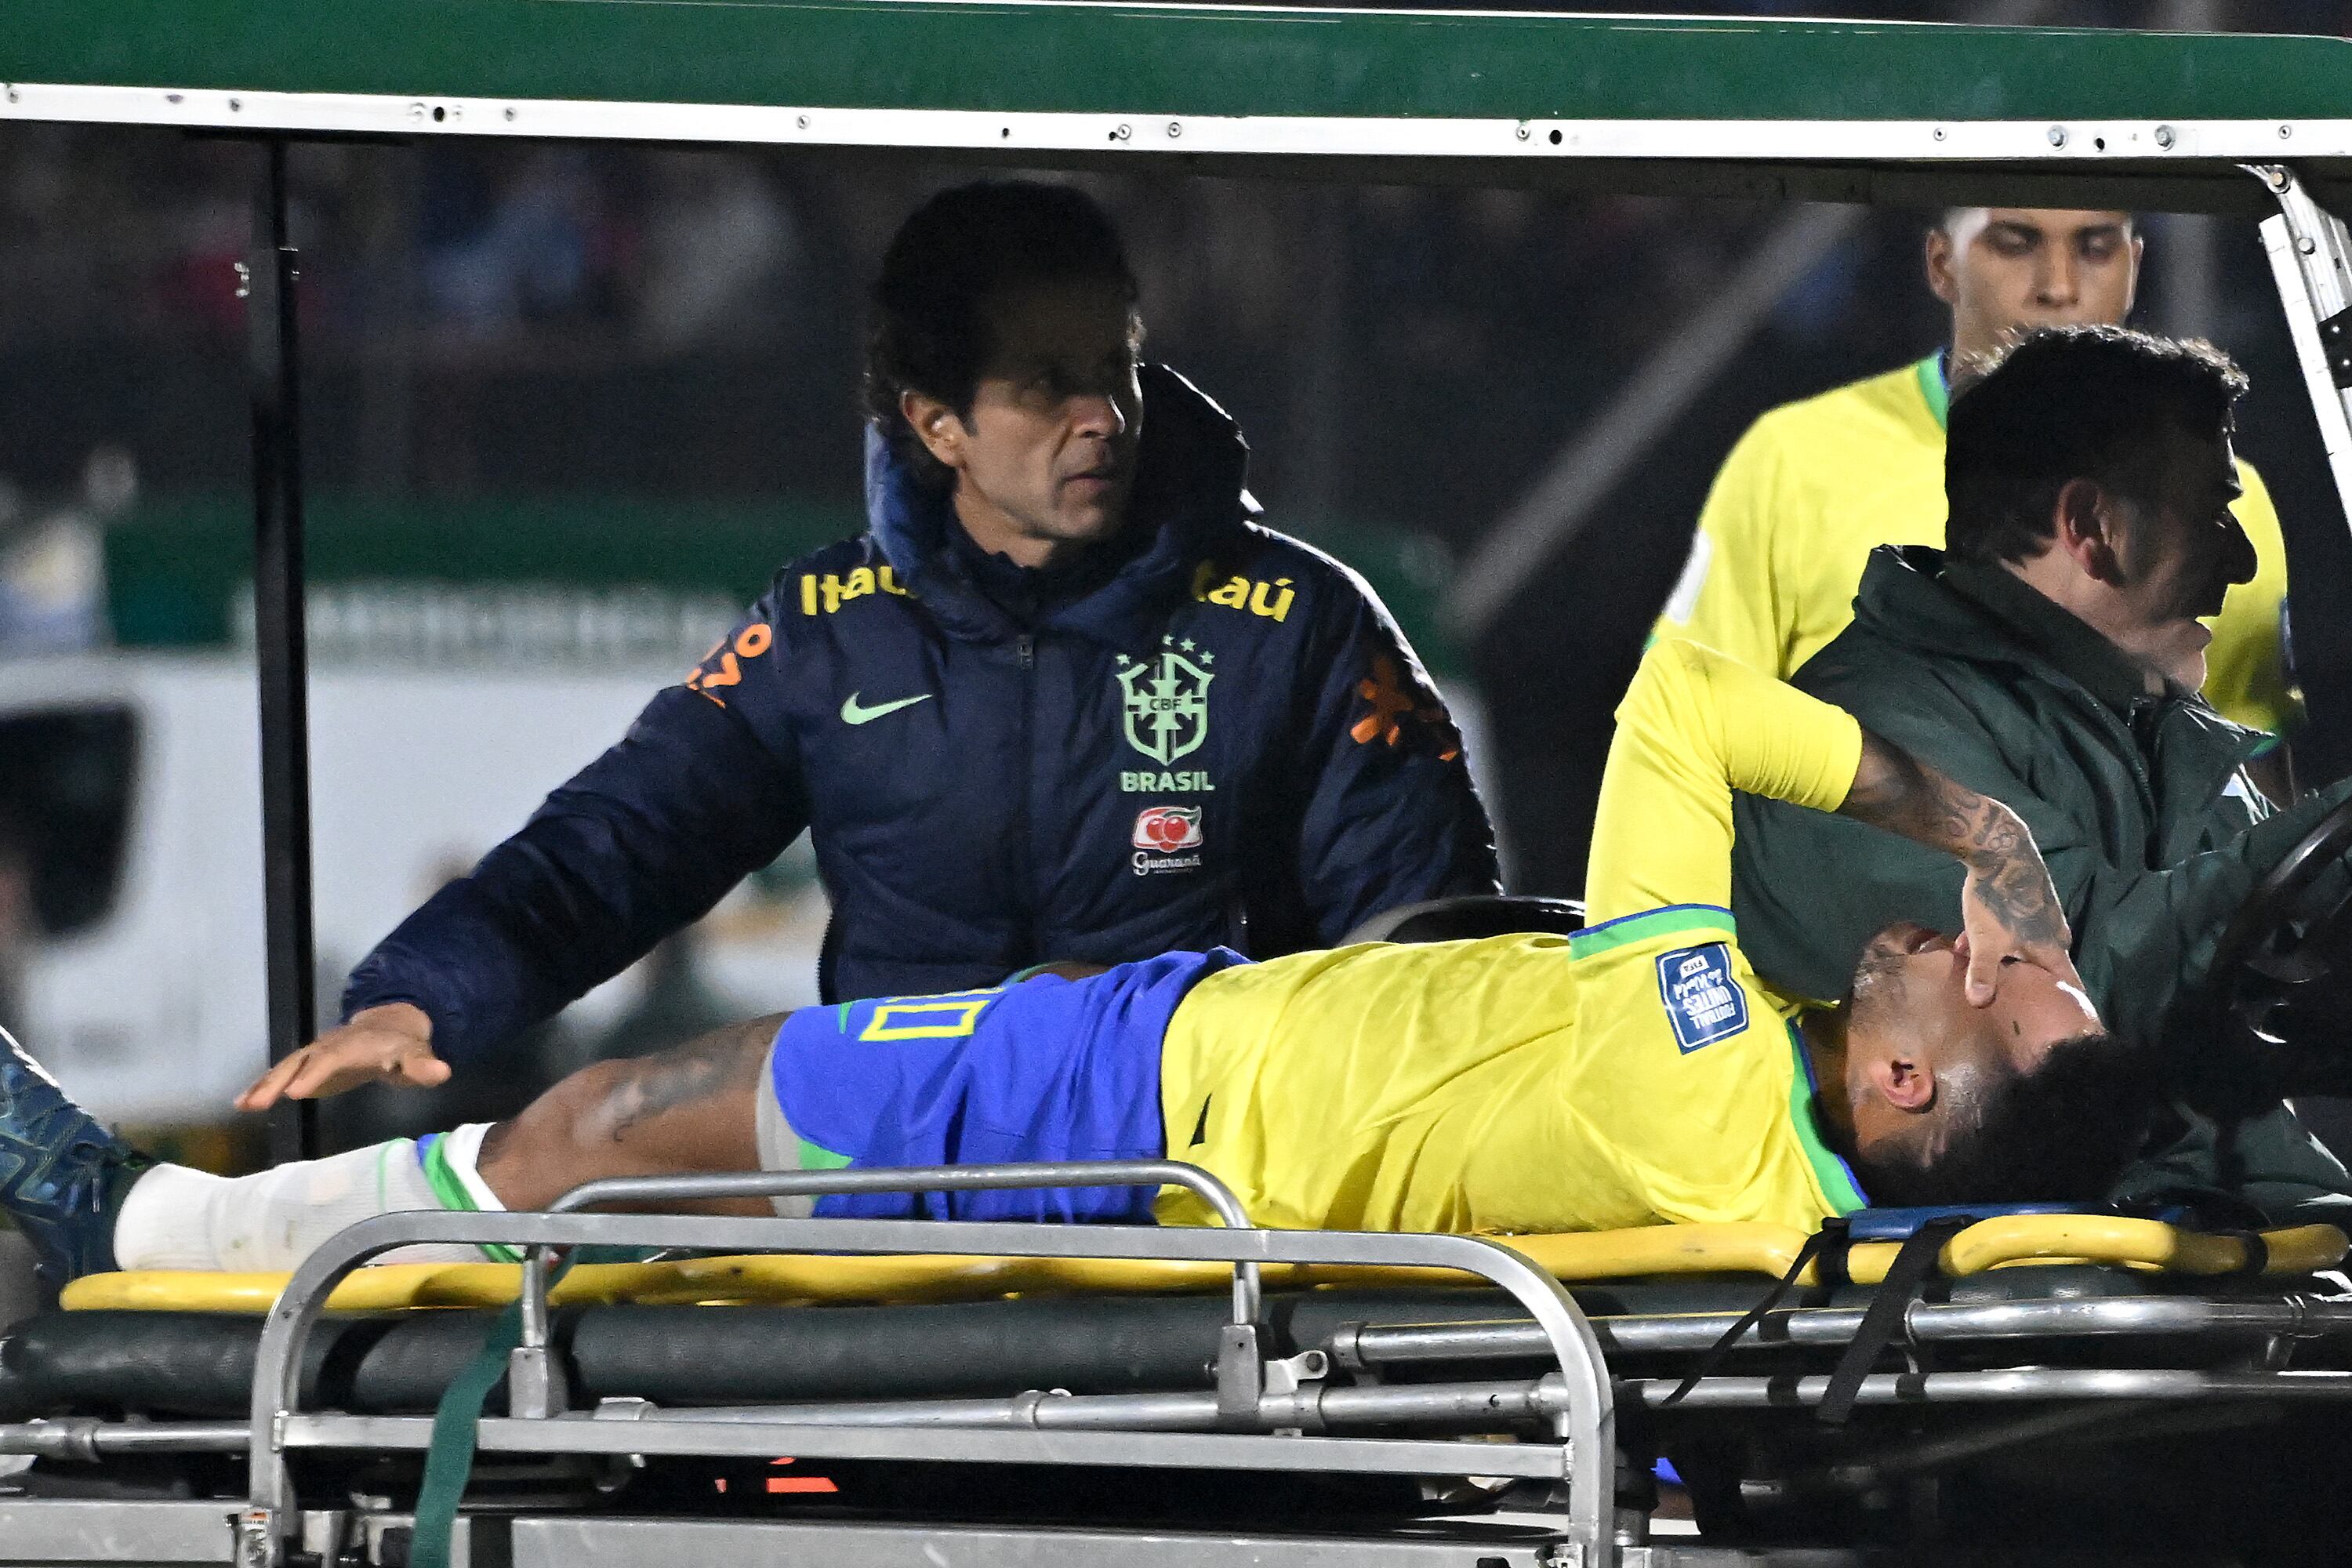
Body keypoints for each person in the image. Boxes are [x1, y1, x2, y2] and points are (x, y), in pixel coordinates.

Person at [0, 637, 2138, 1285]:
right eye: (2002, 924)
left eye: (2002, 972)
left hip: (1134, 1100)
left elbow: (1675, 704)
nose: (1976, 937)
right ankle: (199, 1220)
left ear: (1914, 1090)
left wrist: (1974, 818)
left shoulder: (1699, 1040)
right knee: (638, 1145)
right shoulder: (1776, 1151)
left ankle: (158, 1226)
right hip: (1167, 1062)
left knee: (611, 1124)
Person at [242, 180, 1497, 1115]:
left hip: (1191, 1175)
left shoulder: (1299, 624)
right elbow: (620, 843)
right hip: (895, 1173)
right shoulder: (826, 629)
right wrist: (423, 994)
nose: (1101, 419)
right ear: (937, 424)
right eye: (1045, 384)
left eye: (1115, 368)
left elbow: (1425, 947)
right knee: (601, 1124)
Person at [1724, 326, 2352, 1219]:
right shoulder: (1866, 733)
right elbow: (2089, 994)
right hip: (2064, 1277)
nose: (2241, 560)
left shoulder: (2158, 734)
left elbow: (2289, 959)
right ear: (2093, 526)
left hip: (2232, 1239)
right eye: (2211, 513)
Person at [1657, 207, 2296, 739]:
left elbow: (2250, 768)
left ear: (2134, 265)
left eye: (2095, 249)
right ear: (1942, 264)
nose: (2058, 286)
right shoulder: (1796, 461)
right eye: (2014, 245)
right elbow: (1687, 726)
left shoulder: (2233, 505)